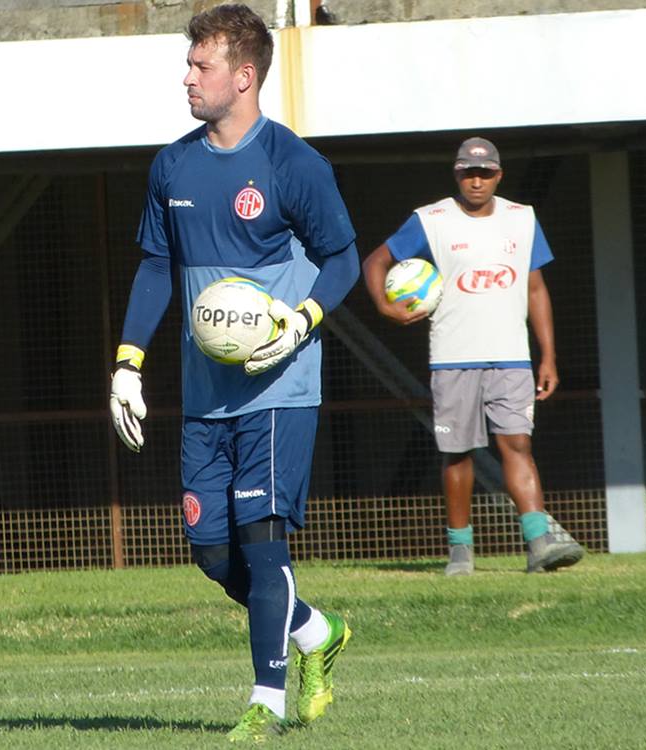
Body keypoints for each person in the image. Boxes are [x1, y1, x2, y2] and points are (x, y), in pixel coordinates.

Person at [108, 4, 359, 742]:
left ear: (243, 77)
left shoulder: (293, 164)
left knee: (262, 539)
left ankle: (266, 701)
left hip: (281, 388)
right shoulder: (173, 165)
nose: (187, 76)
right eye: (190, 63)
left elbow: (342, 258)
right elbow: (158, 267)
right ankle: (317, 631)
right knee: (213, 555)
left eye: (201, 65)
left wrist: (301, 322)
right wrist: (128, 363)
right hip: (205, 398)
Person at [362, 137, 584, 576]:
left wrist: (548, 356)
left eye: (484, 173)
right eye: (468, 172)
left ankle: (539, 544)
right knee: (458, 453)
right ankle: (460, 553)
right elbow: (375, 261)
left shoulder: (522, 219)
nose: (476, 180)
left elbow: (535, 289)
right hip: (452, 356)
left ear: (499, 175)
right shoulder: (432, 219)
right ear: (457, 174)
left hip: (511, 357)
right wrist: (385, 307)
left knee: (517, 444)